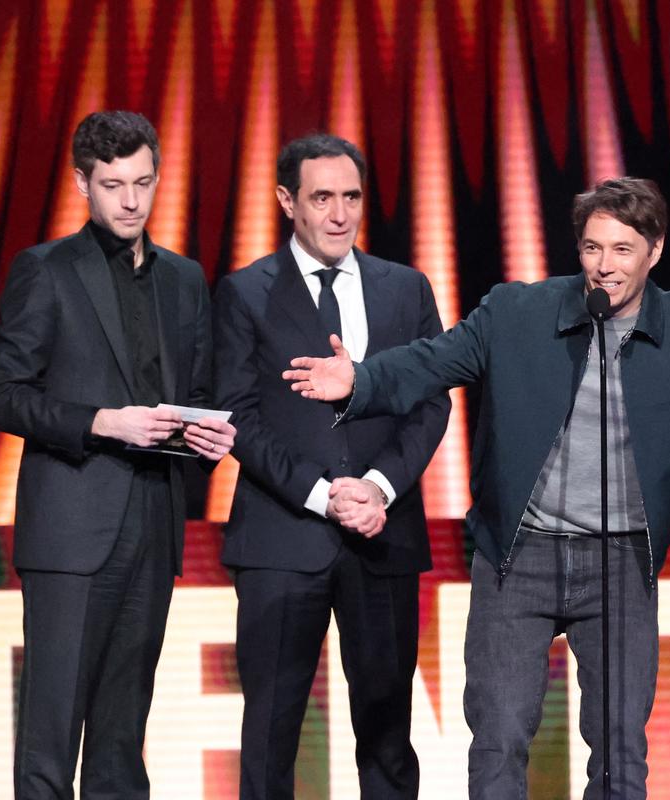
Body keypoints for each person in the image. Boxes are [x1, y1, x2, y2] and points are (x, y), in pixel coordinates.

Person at [282, 176, 670, 799]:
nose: (604, 267)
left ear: (655, 251)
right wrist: (359, 380)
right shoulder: (516, 313)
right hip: (518, 556)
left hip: (622, 561)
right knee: (498, 736)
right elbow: (428, 362)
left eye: (623, 250)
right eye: (592, 248)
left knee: (620, 744)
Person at [0, 110, 237, 799]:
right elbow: (2, 393)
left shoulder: (184, 280)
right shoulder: (45, 270)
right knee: (51, 735)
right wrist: (101, 421)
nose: (131, 200)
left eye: (144, 182)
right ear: (82, 185)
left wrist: (210, 440)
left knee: (123, 743)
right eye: (113, 184)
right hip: (71, 530)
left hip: (154, 526)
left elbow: (201, 391)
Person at [213, 133, 450, 799]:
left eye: (351, 196)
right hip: (282, 540)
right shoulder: (244, 293)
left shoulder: (406, 289)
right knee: (270, 729)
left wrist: (376, 488)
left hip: (382, 535)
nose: (340, 213)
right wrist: (323, 495)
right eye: (322, 198)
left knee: (386, 730)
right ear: (288, 201)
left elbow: (431, 405)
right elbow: (237, 417)